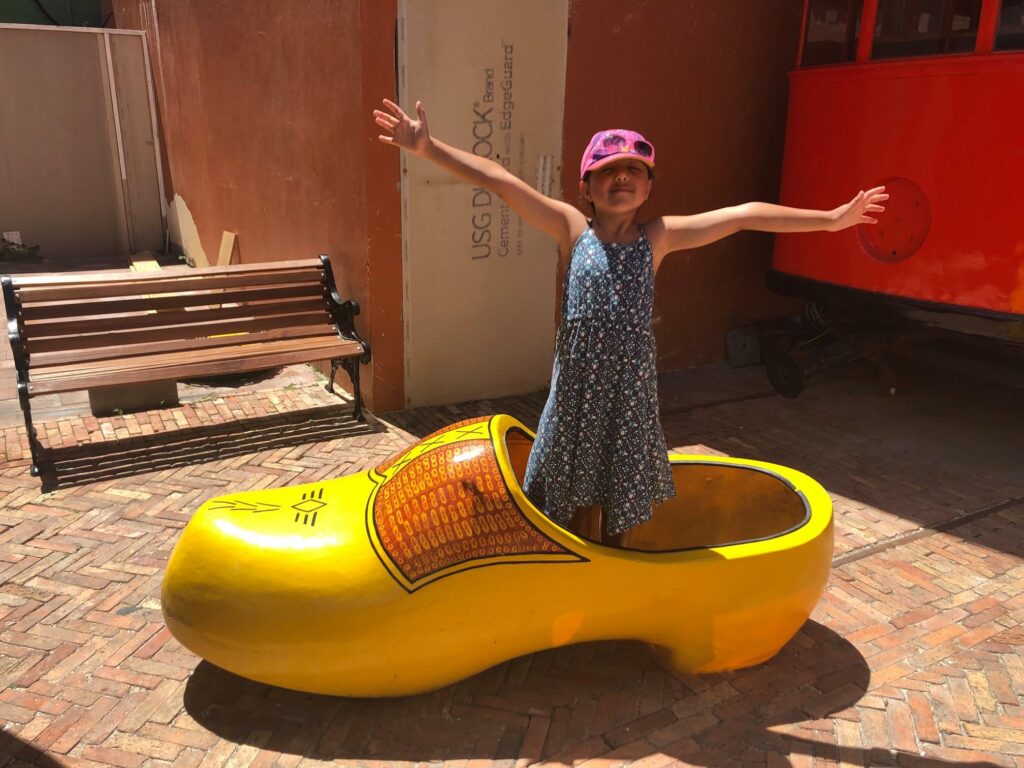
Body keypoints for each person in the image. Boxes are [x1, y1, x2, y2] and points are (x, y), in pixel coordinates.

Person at [373, 98, 886, 546]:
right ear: (586, 188)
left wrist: (830, 219)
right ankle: (567, 564)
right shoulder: (571, 229)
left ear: (648, 189)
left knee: (620, 494)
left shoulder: (658, 237)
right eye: (608, 170)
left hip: (628, 395)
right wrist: (428, 147)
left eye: (634, 170)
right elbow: (502, 181)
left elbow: (743, 214)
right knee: (565, 492)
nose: (622, 177)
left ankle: (614, 569)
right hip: (576, 395)